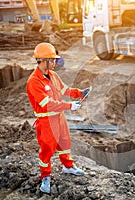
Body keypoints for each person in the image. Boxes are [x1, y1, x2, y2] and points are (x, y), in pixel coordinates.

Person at [26, 42, 91, 193]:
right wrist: (69, 106)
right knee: (47, 150)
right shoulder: (34, 81)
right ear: (44, 60)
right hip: (46, 121)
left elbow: (65, 89)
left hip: (59, 118)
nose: (55, 62)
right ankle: (46, 176)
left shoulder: (53, 75)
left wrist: (79, 93)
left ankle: (68, 166)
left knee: (64, 142)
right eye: (52, 60)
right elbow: (47, 104)